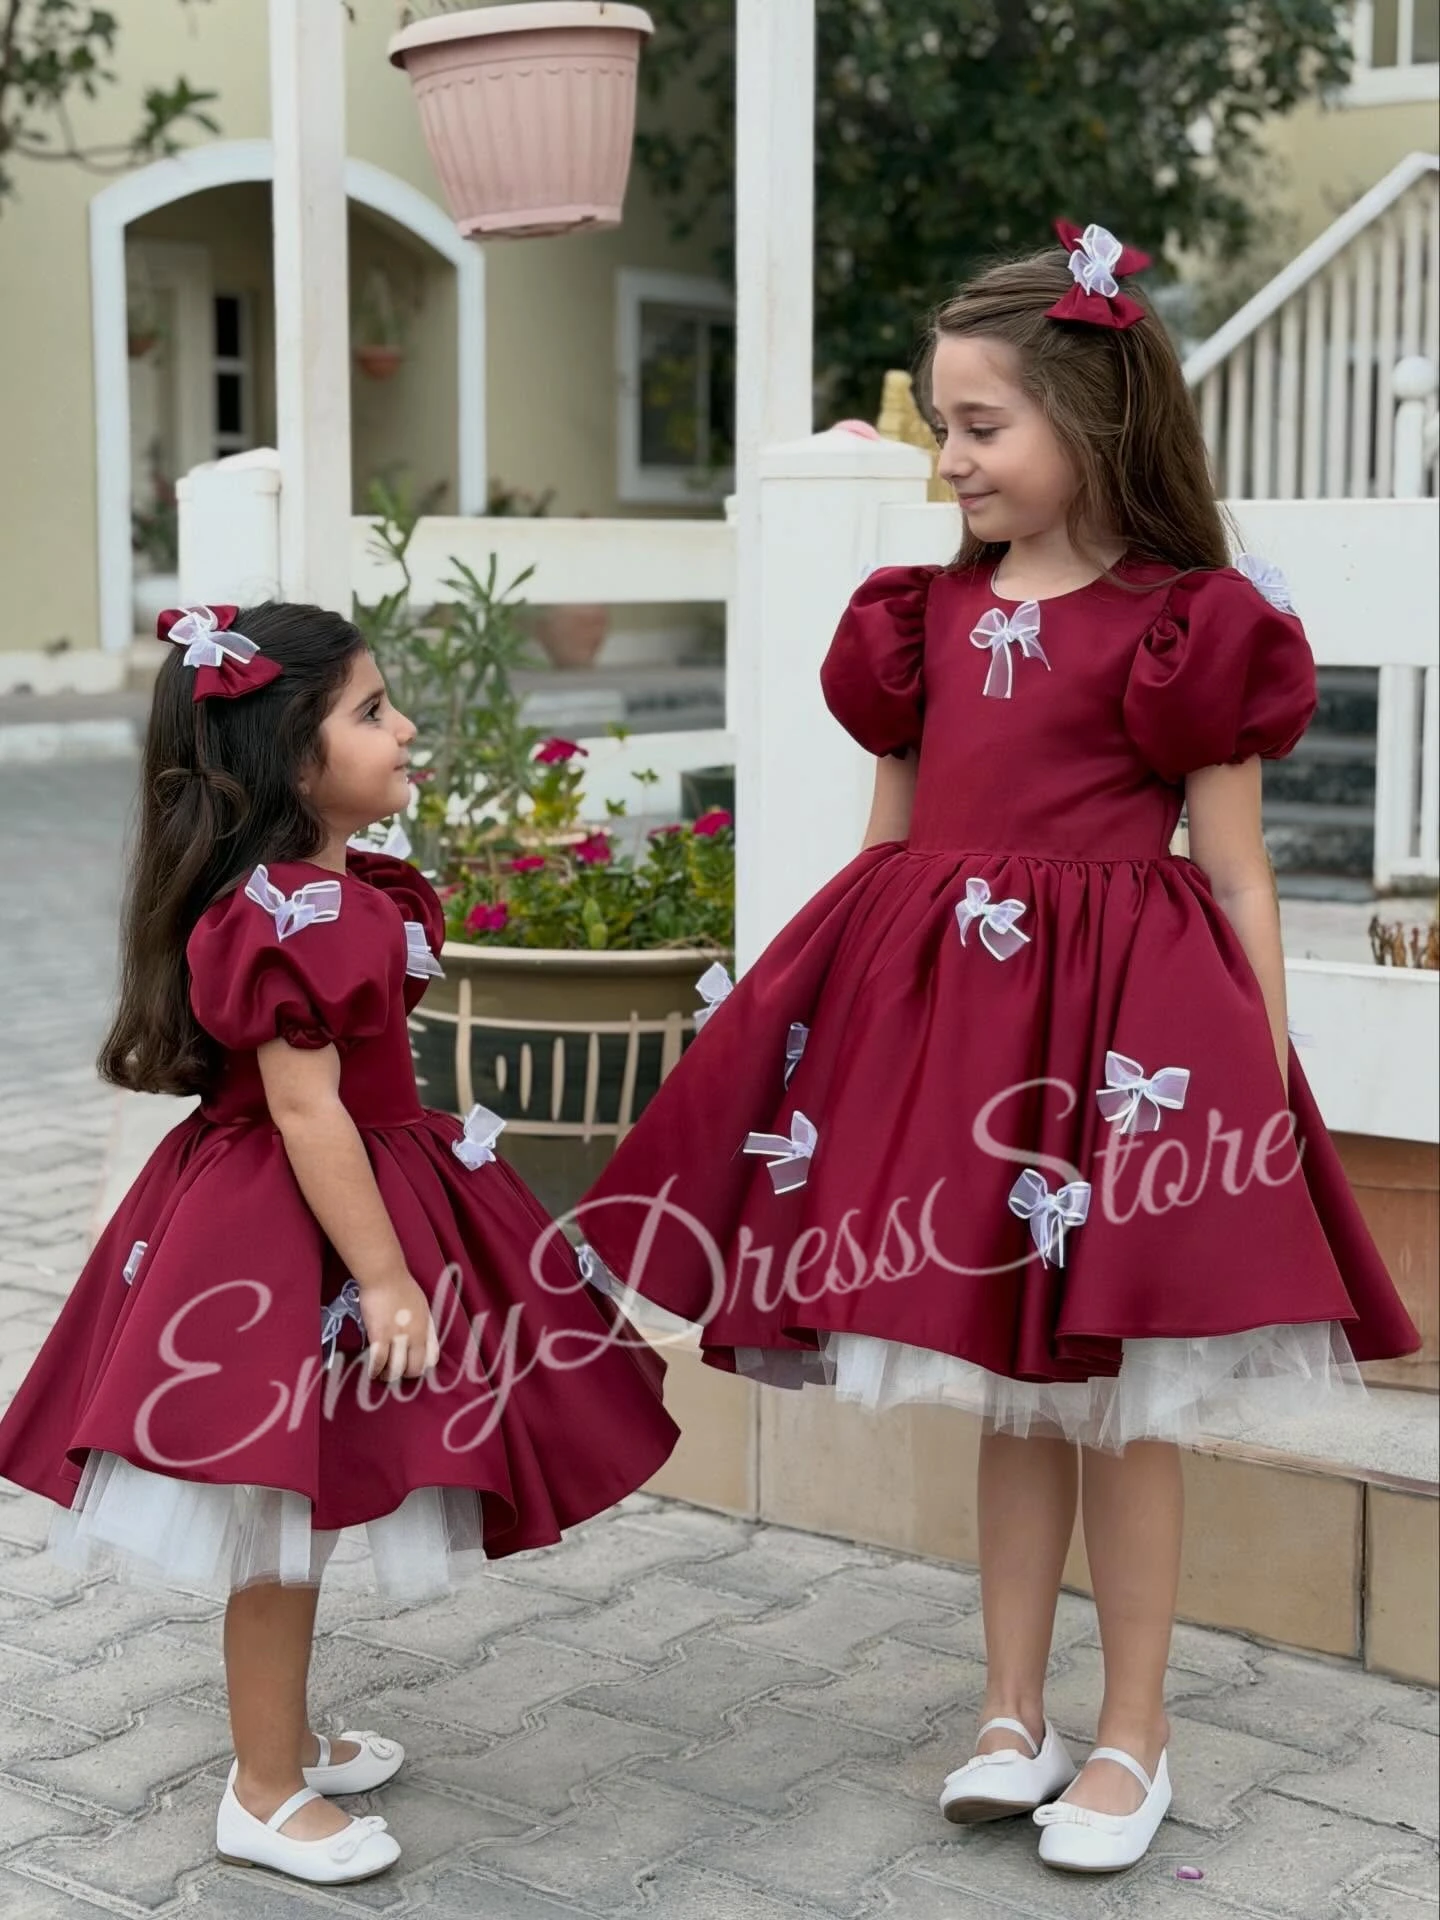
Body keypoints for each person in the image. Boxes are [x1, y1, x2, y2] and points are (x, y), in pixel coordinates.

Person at [572, 222, 1420, 1875]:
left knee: (1131, 1409)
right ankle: (1012, 1714)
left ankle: (1135, 1733)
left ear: (1090, 424)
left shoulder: (1190, 627)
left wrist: (1252, 1085)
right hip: (972, 1049)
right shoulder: (917, 621)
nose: (950, 458)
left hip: (1125, 1061)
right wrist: (839, 1048)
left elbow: (1237, 873)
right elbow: (889, 856)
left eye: (980, 425)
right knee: (1014, 1399)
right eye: (940, 426)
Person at [0, 601, 679, 1887]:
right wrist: (384, 1277)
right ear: (288, 759)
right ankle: (261, 1792)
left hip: (333, 1195)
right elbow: (308, 1112)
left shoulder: (330, 895)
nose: (404, 726)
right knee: (278, 1511)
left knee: (300, 1506)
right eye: (371, 710)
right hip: (286, 1238)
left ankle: (287, 1739)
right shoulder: (292, 916)